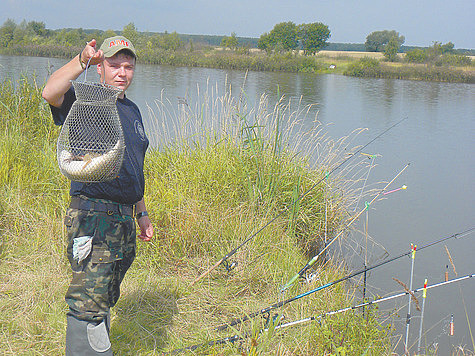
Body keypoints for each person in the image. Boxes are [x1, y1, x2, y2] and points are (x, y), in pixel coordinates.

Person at [42, 36, 154, 355]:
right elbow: (50, 91)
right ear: (101, 67)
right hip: (92, 217)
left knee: (104, 295)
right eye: (114, 64)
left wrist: (141, 212)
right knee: (87, 303)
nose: (122, 72)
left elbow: (135, 167)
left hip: (123, 219)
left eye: (128, 66)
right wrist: (81, 61)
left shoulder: (132, 111)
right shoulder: (85, 101)